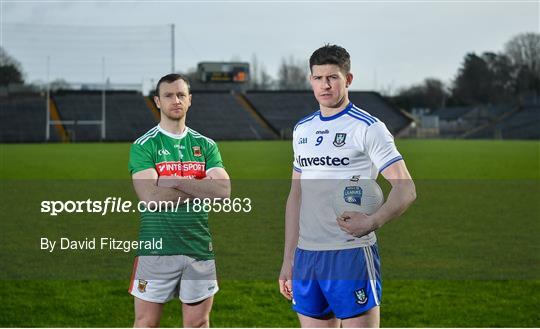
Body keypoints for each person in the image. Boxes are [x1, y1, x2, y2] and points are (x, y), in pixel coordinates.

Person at [278, 45, 416, 327]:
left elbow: (406, 189)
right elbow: (296, 196)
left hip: (349, 253)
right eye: (318, 78)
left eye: (333, 77)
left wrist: (373, 221)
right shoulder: (302, 129)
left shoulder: (368, 127)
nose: (325, 85)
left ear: (348, 79)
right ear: (311, 80)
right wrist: (288, 258)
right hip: (307, 256)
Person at [128, 73, 231, 327]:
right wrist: (200, 185)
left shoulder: (205, 145)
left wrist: (174, 180)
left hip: (198, 248)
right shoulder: (144, 145)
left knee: (198, 324)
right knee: (146, 324)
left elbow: (223, 191)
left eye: (181, 94)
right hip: (156, 249)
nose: (176, 100)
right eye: (169, 95)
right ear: (157, 101)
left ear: (190, 99)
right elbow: (150, 197)